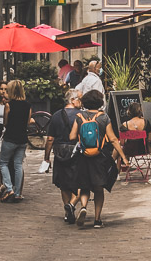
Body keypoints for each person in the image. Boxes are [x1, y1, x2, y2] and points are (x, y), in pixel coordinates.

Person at [68, 89, 129, 227]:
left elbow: (71, 136)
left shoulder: (79, 116)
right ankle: (97, 219)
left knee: (84, 186)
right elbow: (113, 139)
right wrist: (123, 157)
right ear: (100, 102)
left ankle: (83, 207)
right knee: (98, 188)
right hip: (100, 157)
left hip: (83, 156)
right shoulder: (104, 117)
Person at [45, 88, 82, 222]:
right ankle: (71, 205)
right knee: (80, 181)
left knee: (63, 183)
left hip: (60, 151)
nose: (82, 102)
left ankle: (67, 210)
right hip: (76, 151)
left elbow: (50, 139)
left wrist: (46, 157)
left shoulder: (56, 115)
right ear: (73, 100)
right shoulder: (81, 116)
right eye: (80, 99)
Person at [0, 79, 31, 202]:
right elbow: (28, 122)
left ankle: (9, 188)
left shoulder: (9, 105)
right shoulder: (27, 105)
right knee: (18, 165)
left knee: (3, 162)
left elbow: (6, 122)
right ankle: (17, 193)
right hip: (22, 139)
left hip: (10, 138)